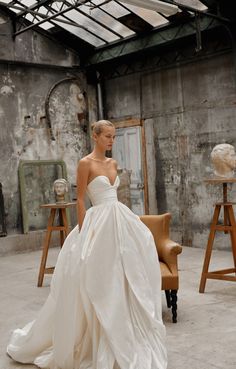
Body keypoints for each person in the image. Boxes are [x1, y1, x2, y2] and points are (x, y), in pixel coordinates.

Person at [7, 120, 167, 369]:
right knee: (97, 276)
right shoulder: (85, 163)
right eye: (108, 137)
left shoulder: (113, 163)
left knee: (126, 271)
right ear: (95, 136)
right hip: (97, 222)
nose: (112, 141)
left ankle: (125, 329)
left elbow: (115, 195)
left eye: (114, 137)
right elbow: (80, 199)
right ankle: (95, 334)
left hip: (118, 219)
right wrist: (83, 232)